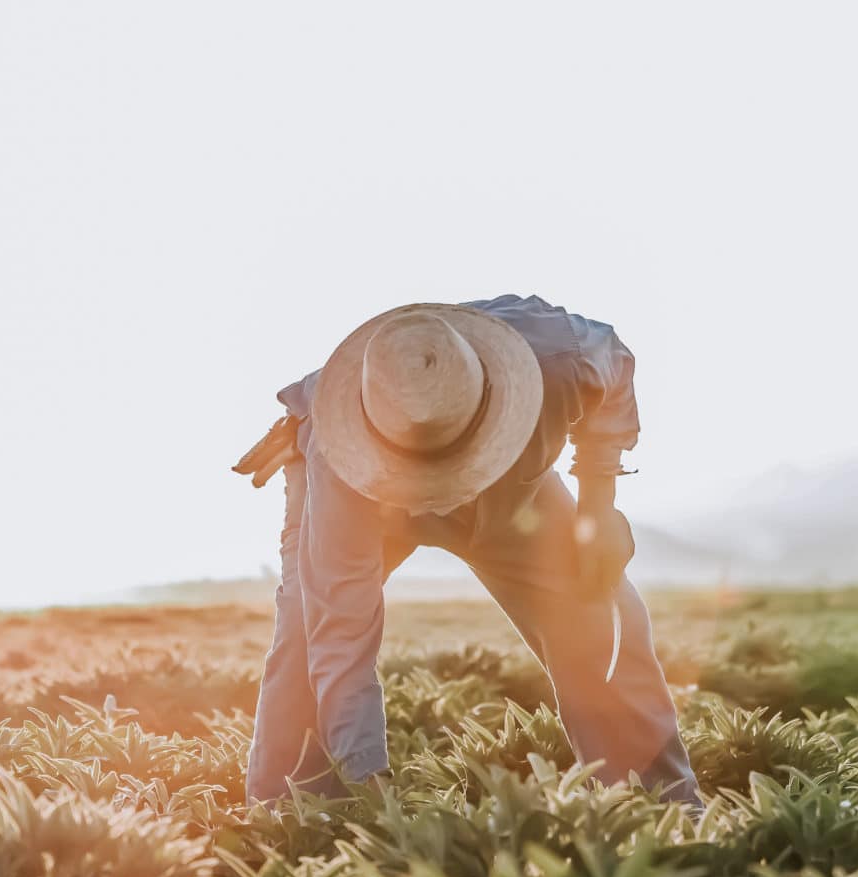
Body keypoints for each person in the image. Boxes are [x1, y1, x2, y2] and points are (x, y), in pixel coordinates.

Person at [233, 294, 699, 806]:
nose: (443, 492)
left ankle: (660, 810)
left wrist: (597, 503)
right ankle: (297, 819)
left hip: (511, 494)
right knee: (307, 633)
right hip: (376, 496)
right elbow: (339, 637)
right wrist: (368, 784)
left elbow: (615, 365)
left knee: (601, 612)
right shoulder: (340, 461)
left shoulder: (557, 356)